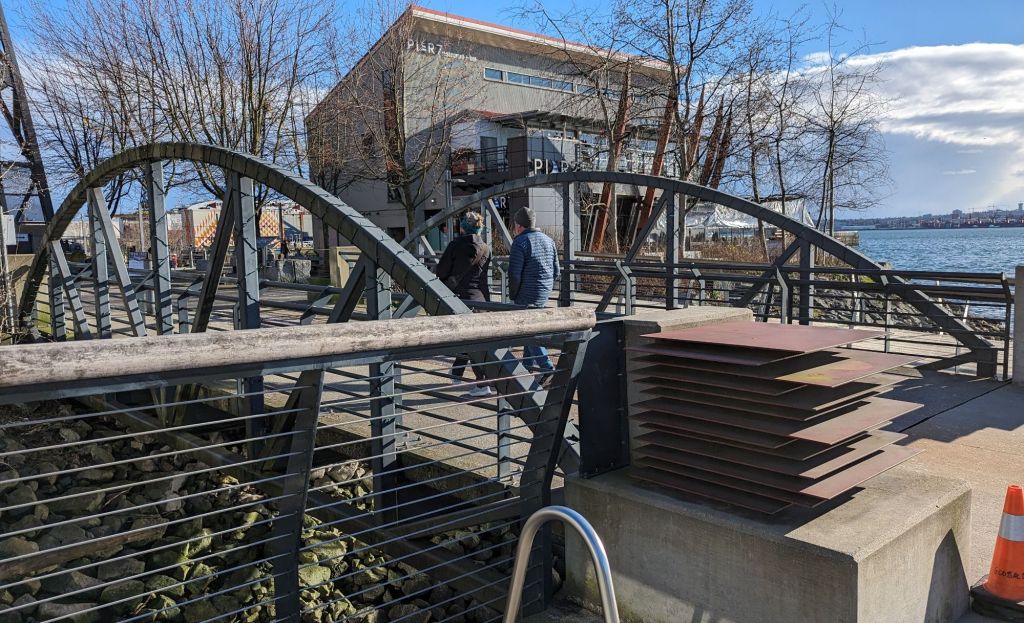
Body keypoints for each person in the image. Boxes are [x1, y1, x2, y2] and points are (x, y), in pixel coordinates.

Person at [435, 211, 493, 397]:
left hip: (459, 298)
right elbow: (482, 277)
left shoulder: (455, 245)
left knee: (469, 341)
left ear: (462, 228)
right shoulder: (485, 248)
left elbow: (441, 271)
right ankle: (458, 371)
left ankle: (482, 383)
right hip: (480, 299)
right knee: (474, 340)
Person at [508, 206, 559, 374]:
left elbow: (514, 274)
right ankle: (526, 368)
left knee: (528, 332)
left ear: (518, 226)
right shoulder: (549, 240)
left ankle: (547, 367)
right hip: (544, 291)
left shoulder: (520, 242)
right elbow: (556, 271)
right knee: (530, 328)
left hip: (526, 293)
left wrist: (513, 295)